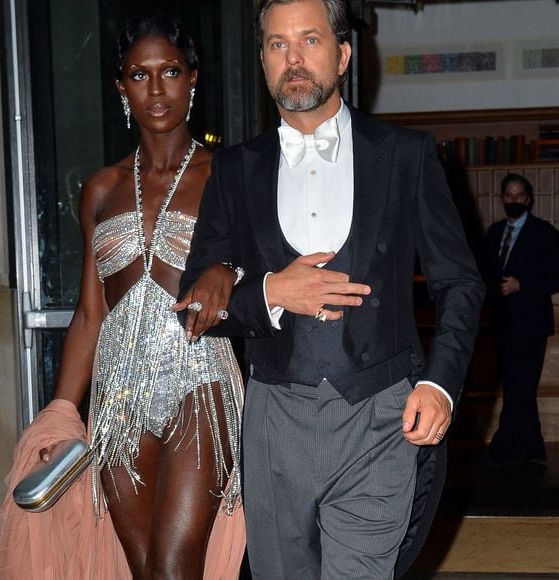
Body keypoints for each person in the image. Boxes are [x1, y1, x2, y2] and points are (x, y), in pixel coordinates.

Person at [177, 0, 485, 578]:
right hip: (275, 424)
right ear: (264, 62)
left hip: (381, 416)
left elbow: (460, 282)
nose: (293, 58)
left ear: (343, 54)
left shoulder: (404, 156)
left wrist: (440, 384)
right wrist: (270, 292)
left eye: (310, 40)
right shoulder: (234, 169)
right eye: (276, 44)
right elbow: (195, 305)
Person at [0, 15, 245, 580]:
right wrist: (59, 418)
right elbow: (90, 314)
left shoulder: (230, 173)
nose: (157, 89)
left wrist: (228, 271)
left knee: (176, 564)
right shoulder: (101, 188)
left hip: (199, 379)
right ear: (121, 88)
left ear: (193, 79)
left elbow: (258, 272)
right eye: (140, 75)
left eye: (171, 72)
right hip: (118, 395)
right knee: (144, 571)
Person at [486, 173, 559, 468]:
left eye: (519, 196)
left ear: (528, 198)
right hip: (501, 323)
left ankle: (509, 446)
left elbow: (556, 275)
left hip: (530, 322)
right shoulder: (493, 233)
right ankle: (526, 448)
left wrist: (522, 284)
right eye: (509, 195)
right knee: (514, 385)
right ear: (502, 198)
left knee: (522, 385)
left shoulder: (545, 233)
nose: (514, 200)